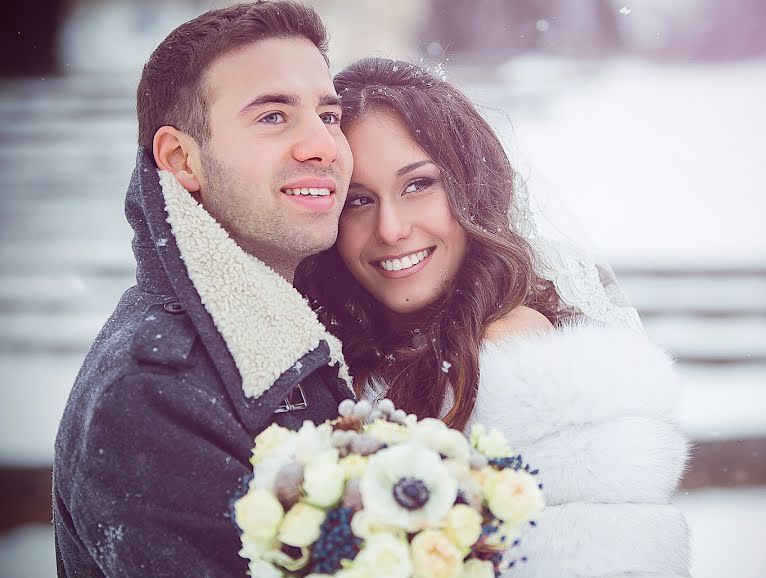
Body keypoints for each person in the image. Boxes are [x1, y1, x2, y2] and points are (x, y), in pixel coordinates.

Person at [296, 58, 693, 577]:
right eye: (358, 201)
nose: (391, 228)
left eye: (418, 186)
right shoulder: (340, 353)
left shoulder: (522, 361)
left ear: (473, 193)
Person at [52, 3, 355, 576]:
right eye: (272, 117)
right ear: (181, 160)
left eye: (329, 115)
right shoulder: (154, 395)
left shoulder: (299, 318)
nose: (324, 146)